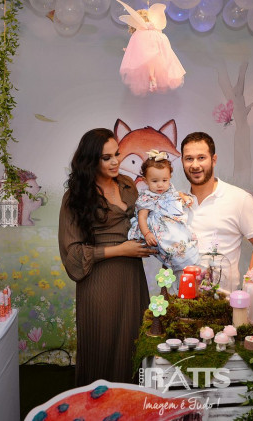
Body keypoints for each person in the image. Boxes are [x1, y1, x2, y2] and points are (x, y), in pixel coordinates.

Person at [58, 128, 154, 386]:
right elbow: (72, 255)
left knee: (134, 343)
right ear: (90, 160)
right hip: (99, 282)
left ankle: (132, 403)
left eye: (117, 154)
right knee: (102, 346)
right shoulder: (75, 197)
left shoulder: (127, 184)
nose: (115, 162)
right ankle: (97, 404)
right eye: (106, 157)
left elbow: (146, 220)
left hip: (132, 279)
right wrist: (121, 250)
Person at [181, 132, 253, 293]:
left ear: (213, 160)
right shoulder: (174, 203)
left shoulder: (239, 199)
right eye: (189, 159)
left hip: (223, 302)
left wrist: (248, 287)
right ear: (182, 161)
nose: (195, 165)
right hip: (177, 301)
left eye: (201, 158)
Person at [128, 150, 199, 272]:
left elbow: (176, 194)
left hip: (173, 223)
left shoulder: (169, 189)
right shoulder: (146, 198)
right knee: (167, 244)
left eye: (164, 180)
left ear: (170, 178)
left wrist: (183, 197)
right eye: (155, 181)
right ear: (145, 180)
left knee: (183, 237)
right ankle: (177, 262)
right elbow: (142, 217)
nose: (160, 185)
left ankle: (188, 258)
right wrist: (147, 233)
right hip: (159, 228)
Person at [117, 0, 185, 96]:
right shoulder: (155, 32)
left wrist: (129, 50)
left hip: (151, 50)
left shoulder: (140, 34)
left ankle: (152, 77)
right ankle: (152, 77)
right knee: (153, 60)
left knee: (149, 60)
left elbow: (137, 47)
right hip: (157, 49)